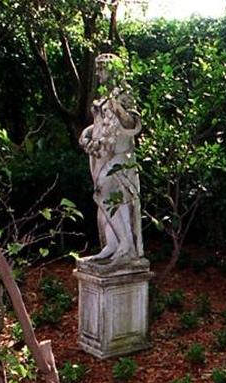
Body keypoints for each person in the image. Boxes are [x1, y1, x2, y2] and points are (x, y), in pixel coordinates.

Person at [79, 53, 143, 264]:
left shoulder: (124, 95)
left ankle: (125, 245)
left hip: (120, 156)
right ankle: (113, 244)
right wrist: (87, 133)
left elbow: (132, 124)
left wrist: (118, 107)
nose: (98, 73)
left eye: (102, 68)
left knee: (105, 193)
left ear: (113, 70)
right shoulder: (104, 96)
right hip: (100, 156)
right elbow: (101, 124)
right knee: (109, 201)